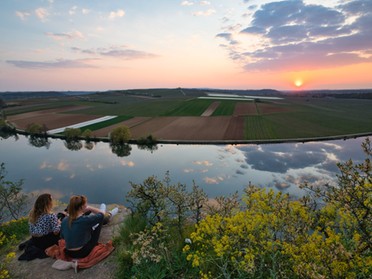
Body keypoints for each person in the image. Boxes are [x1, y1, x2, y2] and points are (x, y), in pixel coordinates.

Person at [19, 193, 61, 260]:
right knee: (61, 230)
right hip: (45, 242)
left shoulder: (32, 214)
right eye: (51, 200)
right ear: (48, 203)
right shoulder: (50, 215)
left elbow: (32, 230)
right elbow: (56, 232)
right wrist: (59, 224)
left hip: (36, 241)